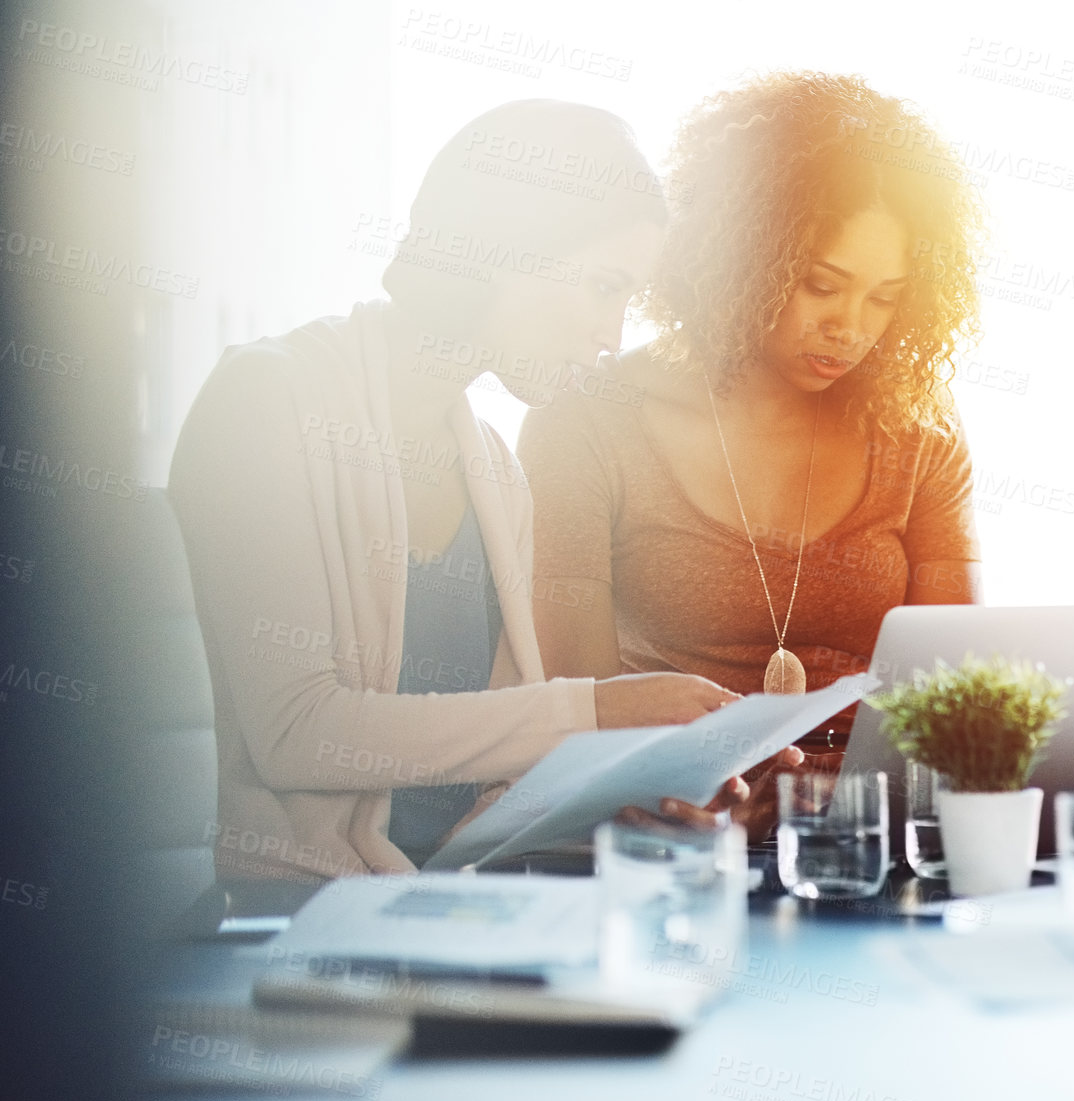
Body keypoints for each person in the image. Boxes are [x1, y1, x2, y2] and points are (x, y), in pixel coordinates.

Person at [169, 101, 792, 880]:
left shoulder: (494, 469)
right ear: (506, 249)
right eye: (604, 286)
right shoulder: (268, 398)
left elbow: (493, 775)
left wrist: (654, 790)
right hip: (288, 917)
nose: (613, 334)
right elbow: (294, 731)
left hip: (451, 903)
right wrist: (594, 711)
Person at [520, 73, 985, 735]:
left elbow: (950, 697)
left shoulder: (917, 423)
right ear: (740, 257)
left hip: (864, 818)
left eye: (885, 297)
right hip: (672, 814)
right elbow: (578, 715)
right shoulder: (586, 419)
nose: (850, 327)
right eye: (821, 284)